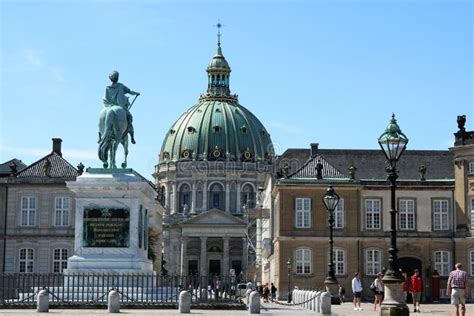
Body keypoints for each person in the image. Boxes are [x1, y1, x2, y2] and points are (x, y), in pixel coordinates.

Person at [103, 70, 140, 144]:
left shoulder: (107, 88)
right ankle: (132, 135)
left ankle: (100, 135)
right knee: (129, 117)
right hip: (120, 106)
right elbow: (130, 91)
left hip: (108, 106)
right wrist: (136, 93)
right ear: (117, 78)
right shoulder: (120, 85)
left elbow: (104, 98)